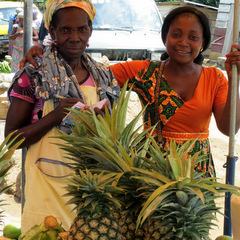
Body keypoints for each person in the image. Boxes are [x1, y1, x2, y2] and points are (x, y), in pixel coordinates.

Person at [20, 6, 240, 186]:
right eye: (176, 34)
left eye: (193, 37)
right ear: (165, 38)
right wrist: (45, 52)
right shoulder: (145, 71)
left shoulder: (215, 78)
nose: (183, 42)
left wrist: (235, 80)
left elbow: (229, 129)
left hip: (197, 174)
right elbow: (90, 74)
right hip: (151, 172)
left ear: (203, 44)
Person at [5, 0, 120, 233]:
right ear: (53, 31)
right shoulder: (35, 74)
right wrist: (55, 116)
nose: (75, 37)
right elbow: (12, 140)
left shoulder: (103, 77)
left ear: (90, 30)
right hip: (45, 187)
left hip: (89, 191)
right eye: (66, 30)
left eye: (82, 29)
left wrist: (99, 122)